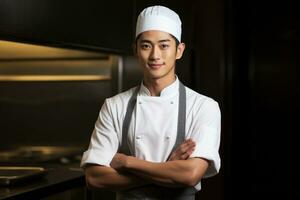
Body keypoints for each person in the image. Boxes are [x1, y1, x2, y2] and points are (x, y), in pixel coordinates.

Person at [80, 5, 221, 200]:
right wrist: (168, 167)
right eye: (146, 45)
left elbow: (190, 174)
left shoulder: (203, 106)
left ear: (179, 50)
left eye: (164, 45)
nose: (155, 55)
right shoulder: (114, 106)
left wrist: (128, 163)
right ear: (136, 50)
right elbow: (95, 178)